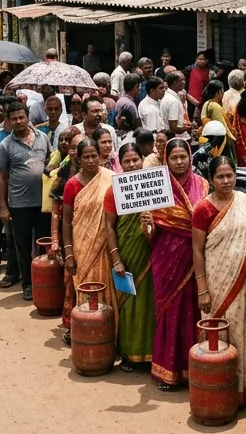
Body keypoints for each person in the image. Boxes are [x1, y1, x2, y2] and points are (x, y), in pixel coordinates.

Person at [191, 155, 246, 407]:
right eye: (220, 176)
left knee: (240, 334)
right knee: (216, 333)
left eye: (230, 175)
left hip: (241, 282)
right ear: (211, 179)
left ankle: (242, 391)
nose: (226, 180)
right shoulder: (203, 209)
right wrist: (202, 289)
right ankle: (215, 391)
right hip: (215, 280)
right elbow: (197, 250)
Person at [149, 139, 207, 390]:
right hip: (166, 258)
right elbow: (151, 235)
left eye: (183, 156)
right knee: (170, 312)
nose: (180, 162)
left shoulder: (202, 184)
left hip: (196, 260)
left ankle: (196, 369)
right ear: (166, 160)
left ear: (190, 157)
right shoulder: (156, 186)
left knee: (194, 310)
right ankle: (168, 372)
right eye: (174, 158)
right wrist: (147, 224)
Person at [0, 100, 50, 299]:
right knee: (22, 247)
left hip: (43, 203)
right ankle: (28, 284)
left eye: (21, 117)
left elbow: (50, 164)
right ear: (8, 120)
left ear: (28, 117)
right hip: (18, 204)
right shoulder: (5, 145)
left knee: (44, 244)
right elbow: (1, 177)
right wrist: (3, 207)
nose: (18, 121)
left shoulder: (43, 138)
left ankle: (45, 281)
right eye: (14, 118)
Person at [103, 143, 156, 369]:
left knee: (150, 302)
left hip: (152, 252)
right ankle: (128, 354)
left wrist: (152, 222)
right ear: (121, 164)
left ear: (142, 160)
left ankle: (153, 354)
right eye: (127, 161)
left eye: (136, 160)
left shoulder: (154, 185)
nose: (132, 164)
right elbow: (109, 226)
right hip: (127, 252)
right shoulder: (114, 190)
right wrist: (116, 259)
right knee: (129, 302)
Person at [62, 135, 118, 322]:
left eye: (94, 156)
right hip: (82, 247)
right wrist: (69, 254)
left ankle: (107, 327)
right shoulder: (72, 185)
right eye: (86, 157)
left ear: (100, 156)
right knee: (85, 285)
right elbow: (66, 221)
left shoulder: (111, 179)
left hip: (107, 245)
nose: (91, 160)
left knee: (107, 284)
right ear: (79, 159)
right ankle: (83, 327)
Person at [199, 80, 235, 163]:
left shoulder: (206, 103)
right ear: (219, 92)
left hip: (207, 137)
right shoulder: (216, 107)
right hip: (219, 140)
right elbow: (222, 125)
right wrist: (232, 138)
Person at [162, 71, 192, 139]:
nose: (184, 82)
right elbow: (174, 127)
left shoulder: (166, 96)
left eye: (184, 80)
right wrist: (187, 128)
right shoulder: (173, 100)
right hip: (177, 138)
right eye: (182, 80)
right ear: (175, 83)